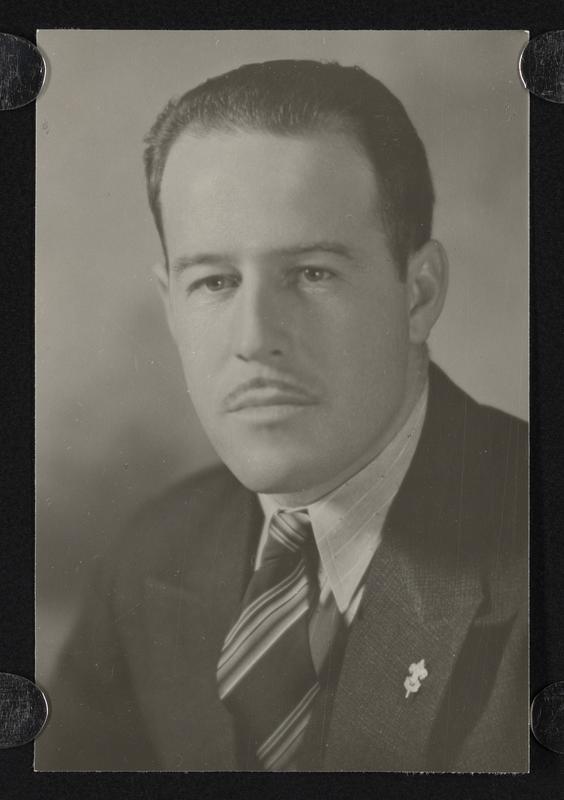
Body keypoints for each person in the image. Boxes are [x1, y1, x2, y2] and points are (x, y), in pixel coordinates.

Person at [38, 60, 528, 772]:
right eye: (215, 281)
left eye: (312, 273)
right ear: (171, 306)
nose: (254, 337)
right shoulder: (151, 557)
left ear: (418, 295)